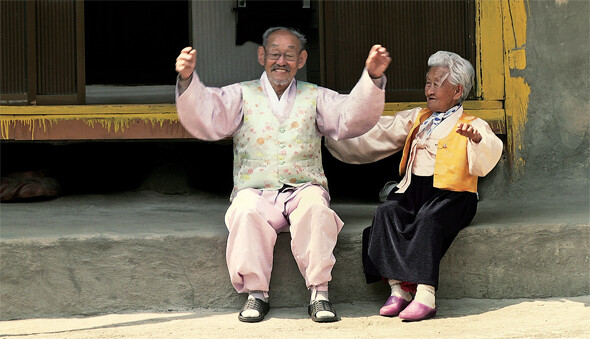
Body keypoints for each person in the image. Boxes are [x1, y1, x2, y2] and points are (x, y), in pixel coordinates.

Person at [174, 27, 391, 323]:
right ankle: (256, 294)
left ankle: (319, 292)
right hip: (255, 189)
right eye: (274, 53)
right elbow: (209, 114)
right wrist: (187, 79)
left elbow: (348, 116)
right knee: (244, 212)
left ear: (301, 60)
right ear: (262, 55)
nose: (281, 61)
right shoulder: (241, 93)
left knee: (316, 209)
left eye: (289, 55)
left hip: (304, 187)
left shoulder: (314, 95)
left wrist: (373, 78)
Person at [325, 51, 503, 322]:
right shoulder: (418, 119)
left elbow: (488, 155)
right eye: (428, 82)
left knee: (428, 220)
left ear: (457, 91)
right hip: (413, 190)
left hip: (452, 195)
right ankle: (398, 289)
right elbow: (378, 133)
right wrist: (336, 132)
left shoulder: (473, 124)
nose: (429, 89)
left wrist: (477, 141)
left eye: (437, 83)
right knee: (386, 213)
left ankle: (425, 295)